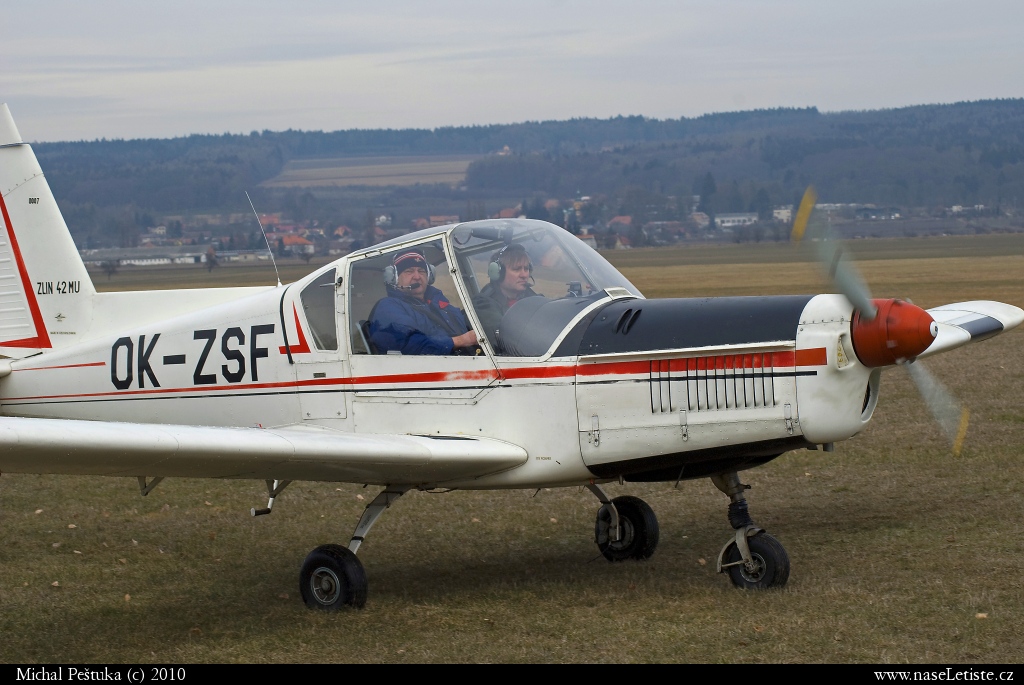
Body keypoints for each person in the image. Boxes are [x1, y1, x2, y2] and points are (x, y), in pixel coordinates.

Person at [368, 248, 478, 355]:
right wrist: (460, 341)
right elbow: (411, 345)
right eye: (409, 271)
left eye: (421, 271)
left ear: (429, 276)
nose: (417, 277)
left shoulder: (439, 304)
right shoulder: (388, 307)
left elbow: (465, 325)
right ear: (394, 278)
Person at [473, 243, 539, 343]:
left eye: (526, 269)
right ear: (498, 272)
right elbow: (504, 338)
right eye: (516, 269)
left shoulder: (530, 297)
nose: (524, 275)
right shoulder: (483, 303)